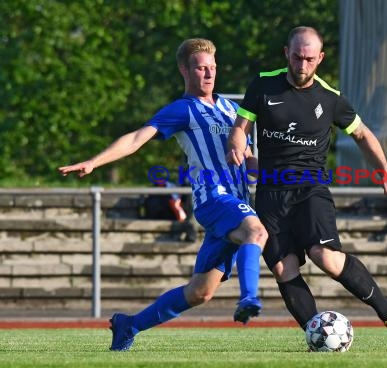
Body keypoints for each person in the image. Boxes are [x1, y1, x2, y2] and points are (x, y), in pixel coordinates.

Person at [58, 38, 268, 351]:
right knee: (256, 230)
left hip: (236, 203)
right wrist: (94, 161)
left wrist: (281, 170)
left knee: (200, 292)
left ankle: (129, 325)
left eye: (212, 67)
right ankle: (249, 297)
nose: (209, 74)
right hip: (214, 198)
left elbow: (250, 164)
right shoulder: (182, 110)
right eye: (201, 68)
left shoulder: (233, 109)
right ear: (185, 70)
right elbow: (136, 138)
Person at [226, 26, 387, 350]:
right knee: (285, 268)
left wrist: (385, 173)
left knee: (324, 257)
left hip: (310, 189)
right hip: (270, 194)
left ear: (320, 58)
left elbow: (363, 135)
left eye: (309, 59)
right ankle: (317, 337)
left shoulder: (330, 98)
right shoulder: (262, 84)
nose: (302, 65)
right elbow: (240, 129)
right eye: (297, 57)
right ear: (287, 53)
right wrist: (237, 145)